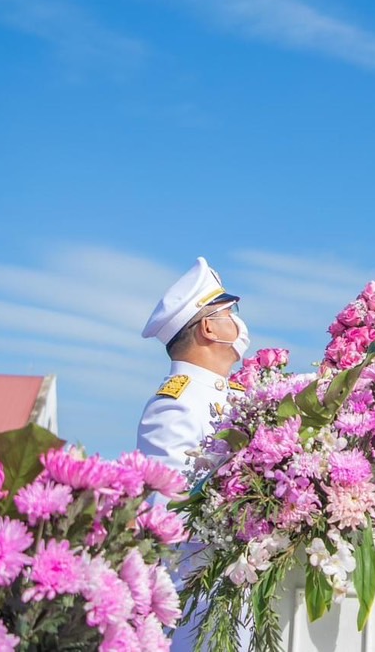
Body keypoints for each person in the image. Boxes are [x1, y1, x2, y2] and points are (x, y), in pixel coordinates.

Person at [138, 257, 252, 651]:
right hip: (201, 597)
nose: (237, 323)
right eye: (229, 312)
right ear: (208, 327)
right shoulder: (175, 404)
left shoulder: (239, 395)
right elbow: (167, 513)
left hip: (245, 593)